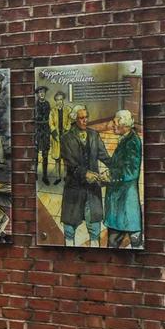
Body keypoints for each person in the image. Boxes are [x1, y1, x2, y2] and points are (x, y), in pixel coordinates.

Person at [60, 104, 108, 246]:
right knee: (69, 227)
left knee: (95, 225)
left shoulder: (94, 135)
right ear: (75, 119)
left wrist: (116, 167)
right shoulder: (66, 139)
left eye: (86, 117)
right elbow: (71, 164)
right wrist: (85, 173)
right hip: (74, 187)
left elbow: (104, 156)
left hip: (93, 189)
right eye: (81, 118)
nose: (85, 120)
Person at [104, 109, 142, 248]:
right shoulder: (128, 138)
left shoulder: (132, 142)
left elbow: (132, 171)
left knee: (117, 240)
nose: (112, 125)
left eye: (115, 123)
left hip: (125, 200)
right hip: (121, 201)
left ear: (124, 124)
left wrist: (110, 175)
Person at [48, 90, 71, 184]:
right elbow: (51, 123)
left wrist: (67, 129)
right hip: (56, 137)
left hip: (65, 137)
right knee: (57, 159)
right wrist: (55, 134)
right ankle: (58, 177)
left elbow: (69, 121)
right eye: (57, 100)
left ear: (63, 100)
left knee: (65, 159)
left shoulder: (67, 110)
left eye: (61, 99)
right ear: (55, 101)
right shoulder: (52, 111)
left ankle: (65, 176)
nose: (59, 101)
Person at [35, 86, 52, 184]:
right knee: (35, 154)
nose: (41, 94)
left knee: (45, 155)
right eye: (40, 92)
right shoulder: (35, 105)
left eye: (43, 92)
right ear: (37, 94)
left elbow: (48, 117)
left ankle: (45, 176)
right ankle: (35, 174)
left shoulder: (47, 104)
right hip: (37, 130)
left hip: (45, 130)